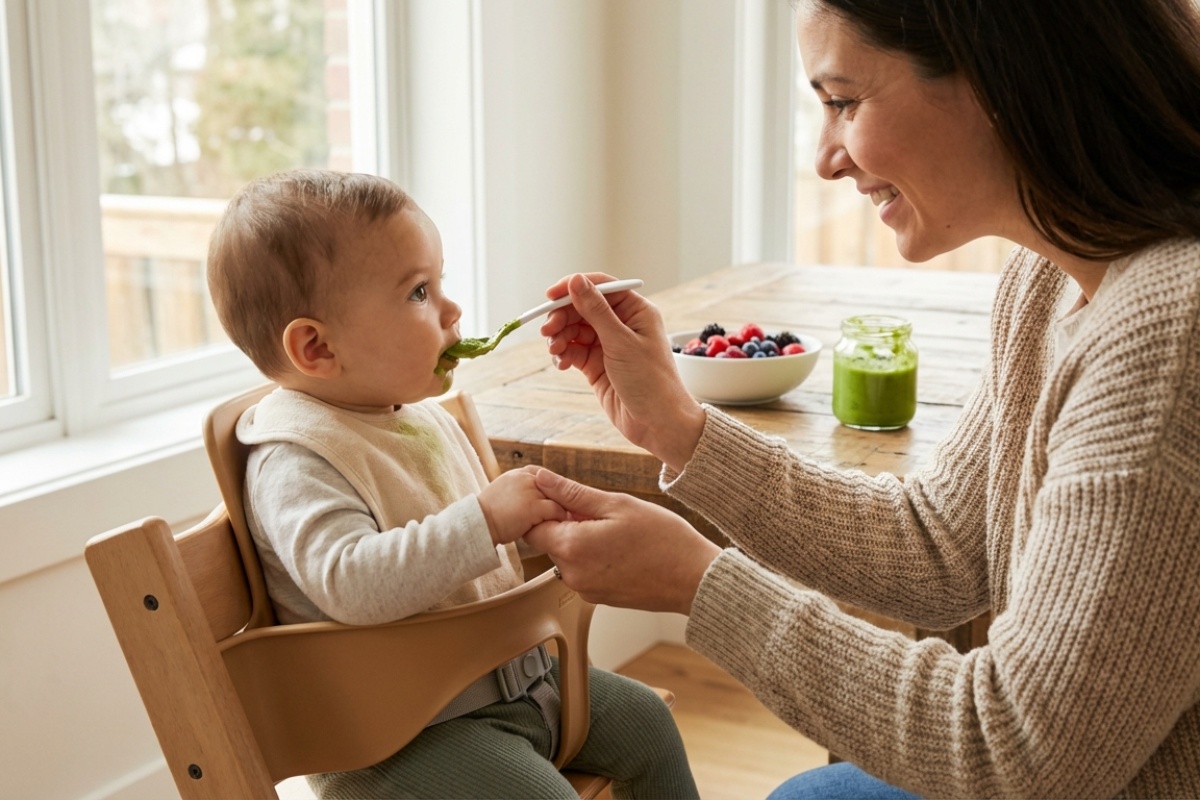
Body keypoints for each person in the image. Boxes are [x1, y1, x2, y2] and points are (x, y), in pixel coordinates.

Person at [524, 0, 1200, 797]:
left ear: (997, 77)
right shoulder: (1050, 276)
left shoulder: (1170, 332)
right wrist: (680, 429)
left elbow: (1015, 750)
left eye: (843, 101)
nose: (825, 159)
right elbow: (943, 549)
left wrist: (698, 583)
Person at [205, 169, 699, 800]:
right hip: (398, 736)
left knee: (650, 725)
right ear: (316, 347)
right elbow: (349, 582)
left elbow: (466, 557)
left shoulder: (411, 413)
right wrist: (487, 520)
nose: (451, 309)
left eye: (439, 282)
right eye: (418, 292)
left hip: (513, 680)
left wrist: (540, 525)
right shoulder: (296, 456)